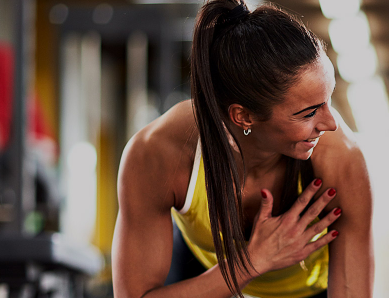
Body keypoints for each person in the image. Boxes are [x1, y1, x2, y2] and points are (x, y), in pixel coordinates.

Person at [111, 0, 373, 297]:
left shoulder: (342, 157)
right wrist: (251, 263)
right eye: (309, 112)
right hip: (210, 277)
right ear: (244, 116)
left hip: (310, 290)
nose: (330, 123)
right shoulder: (158, 153)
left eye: (329, 100)